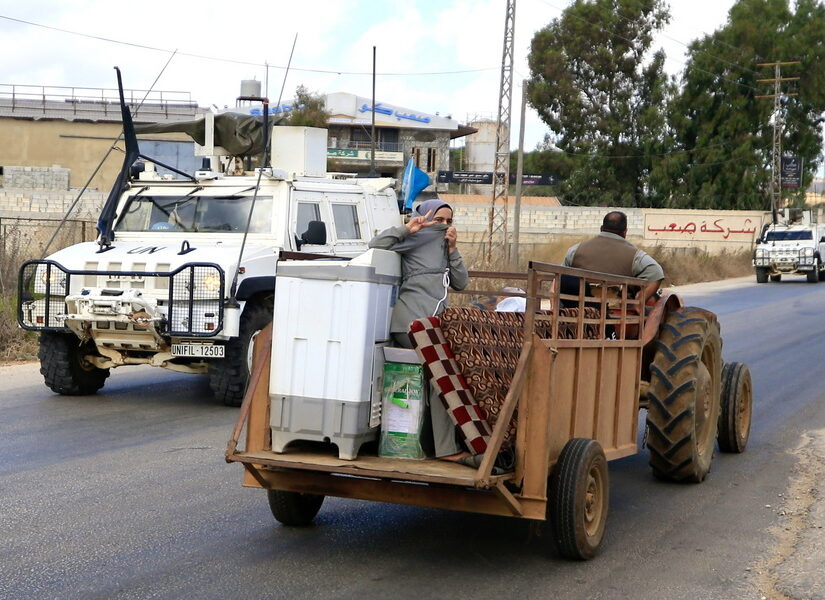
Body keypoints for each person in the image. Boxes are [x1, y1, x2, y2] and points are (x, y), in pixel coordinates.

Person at [369, 199, 470, 463]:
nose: (444, 226)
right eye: (438, 220)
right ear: (424, 218)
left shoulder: (443, 245)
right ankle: (447, 450)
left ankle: (429, 443)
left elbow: (461, 282)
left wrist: (453, 249)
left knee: (442, 377)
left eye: (449, 221)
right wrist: (406, 229)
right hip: (409, 324)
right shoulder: (416, 237)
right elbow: (375, 246)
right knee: (442, 378)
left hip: (432, 327)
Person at [563, 210, 664, 304]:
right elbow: (657, 272)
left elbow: (561, 278)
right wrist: (639, 302)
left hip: (577, 307)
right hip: (617, 309)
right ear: (625, 232)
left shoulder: (575, 250)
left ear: (601, 229)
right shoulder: (636, 256)